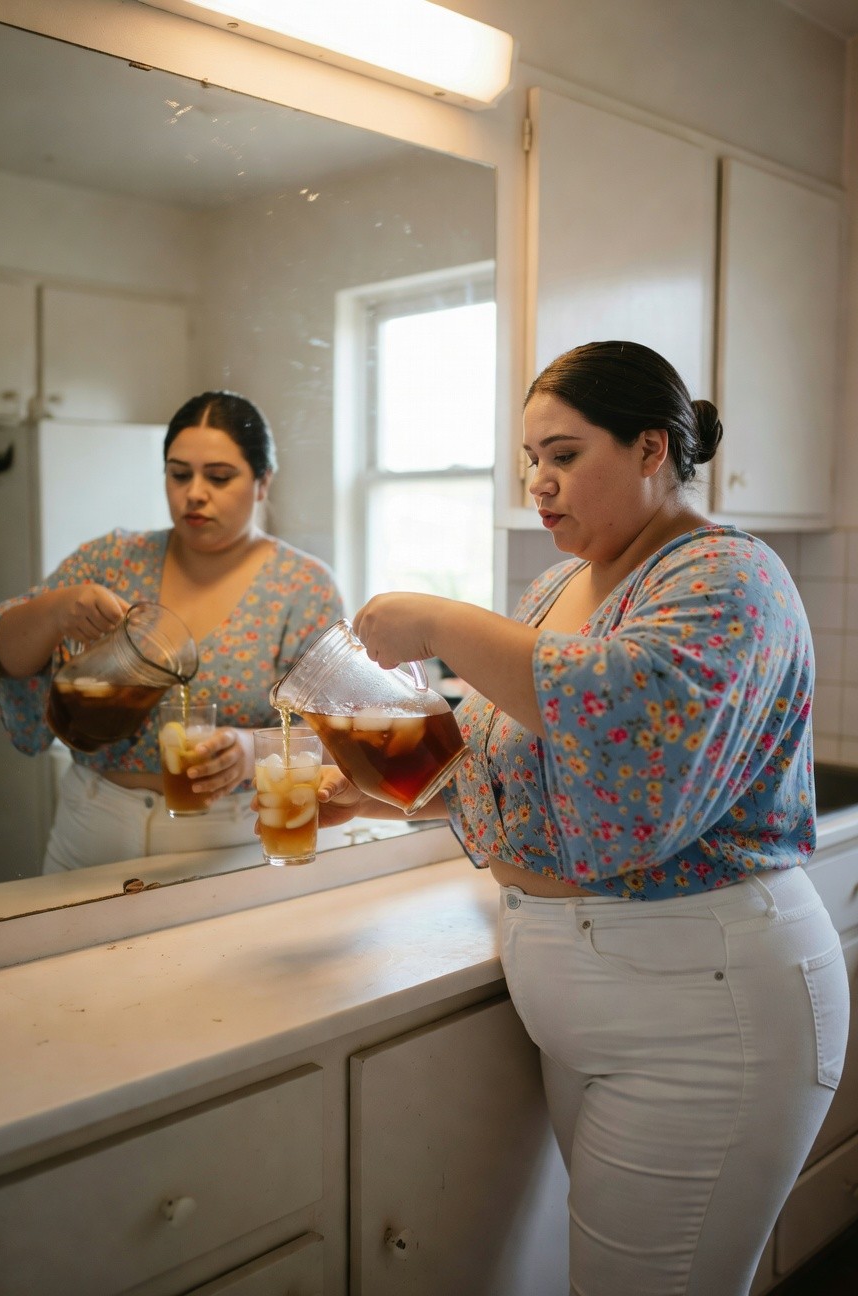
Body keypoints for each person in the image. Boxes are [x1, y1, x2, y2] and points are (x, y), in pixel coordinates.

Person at [313, 341, 851, 1295]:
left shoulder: (731, 577)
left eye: (563, 455)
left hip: (708, 1011)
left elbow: (624, 713)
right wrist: (396, 789)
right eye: (529, 460)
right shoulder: (556, 591)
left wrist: (440, 621)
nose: (539, 483)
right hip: (596, 1008)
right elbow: (528, 766)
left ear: (651, 449)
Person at [0, 390, 344, 873]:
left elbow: (330, 728)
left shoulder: (302, 586)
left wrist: (248, 752)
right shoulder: (111, 559)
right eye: (179, 474)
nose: (195, 493)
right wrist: (55, 611)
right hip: (93, 823)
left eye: (219, 477)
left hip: (225, 837)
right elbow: (7, 654)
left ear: (263, 482)